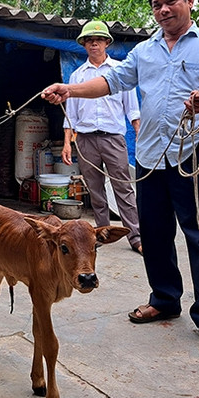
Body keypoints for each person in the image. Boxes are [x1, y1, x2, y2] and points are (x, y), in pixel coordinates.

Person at [42, 0, 199, 353]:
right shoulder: (144, 51)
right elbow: (112, 83)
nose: (163, 10)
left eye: (170, 1)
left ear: (190, 0)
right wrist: (70, 88)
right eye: (157, 5)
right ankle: (165, 300)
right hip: (149, 157)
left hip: (192, 156)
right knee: (155, 234)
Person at [62, 20, 142, 253]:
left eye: (98, 39)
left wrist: (138, 131)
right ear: (84, 45)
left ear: (107, 42)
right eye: (89, 40)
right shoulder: (77, 76)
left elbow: (132, 108)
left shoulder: (120, 71)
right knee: (95, 191)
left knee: (123, 188)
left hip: (113, 138)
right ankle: (102, 233)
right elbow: (71, 113)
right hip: (86, 140)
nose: (93, 43)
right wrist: (67, 143)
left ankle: (136, 237)